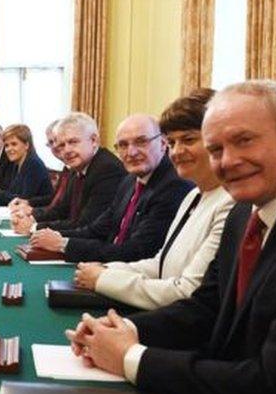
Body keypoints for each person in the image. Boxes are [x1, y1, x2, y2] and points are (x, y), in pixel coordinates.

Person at [67, 80, 276, 394]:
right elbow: (209, 305)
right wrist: (124, 331)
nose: (228, 161)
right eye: (216, 149)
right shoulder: (245, 208)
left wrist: (130, 357)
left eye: (244, 140)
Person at [72, 89, 233, 310]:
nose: (177, 151)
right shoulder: (193, 196)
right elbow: (161, 264)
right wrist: (105, 269)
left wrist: (102, 278)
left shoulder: (229, 203)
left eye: (188, 140)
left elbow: (186, 292)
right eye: (173, 142)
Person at [29, 114, 193, 263]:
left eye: (141, 142)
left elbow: (138, 252)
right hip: (110, 267)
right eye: (123, 145)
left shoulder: (172, 185)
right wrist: (54, 238)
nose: (131, 152)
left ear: (163, 143)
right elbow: (97, 229)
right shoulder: (130, 181)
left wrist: (63, 244)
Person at [10, 113, 125, 234]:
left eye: (73, 142)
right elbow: (61, 210)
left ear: (94, 140)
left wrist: (34, 227)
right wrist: (31, 218)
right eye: (61, 145)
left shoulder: (107, 169)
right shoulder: (76, 168)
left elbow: (86, 224)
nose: (67, 150)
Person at [0, 124, 54, 206]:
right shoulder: (16, 164)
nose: (9, 149)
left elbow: (21, 200)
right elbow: (10, 194)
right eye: (6, 145)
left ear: (26, 145)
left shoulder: (33, 164)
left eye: (14, 144)